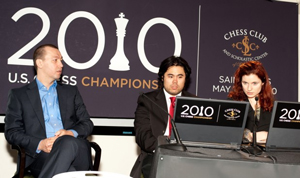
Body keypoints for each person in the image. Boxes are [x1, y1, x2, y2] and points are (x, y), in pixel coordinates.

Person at [4, 44, 94, 178]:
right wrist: (40, 144)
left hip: (77, 152)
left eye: (61, 60)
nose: (61, 65)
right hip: (40, 157)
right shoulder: (19, 95)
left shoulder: (71, 92)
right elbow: (12, 132)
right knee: (70, 173)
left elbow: (87, 124)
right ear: (39, 63)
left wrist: (70, 133)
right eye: (55, 60)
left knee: (67, 142)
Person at [130, 56, 195, 178]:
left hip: (187, 157)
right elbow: (142, 136)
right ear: (162, 77)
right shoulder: (147, 100)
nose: (175, 81)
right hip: (155, 156)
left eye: (180, 77)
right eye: (170, 76)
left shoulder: (195, 103)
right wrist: (165, 150)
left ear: (185, 78)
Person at [228, 61, 274, 144]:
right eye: (245, 83)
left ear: (263, 83)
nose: (249, 88)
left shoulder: (272, 104)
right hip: (242, 154)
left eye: (254, 83)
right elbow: (227, 132)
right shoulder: (233, 103)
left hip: (269, 155)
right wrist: (250, 136)